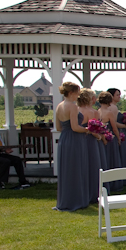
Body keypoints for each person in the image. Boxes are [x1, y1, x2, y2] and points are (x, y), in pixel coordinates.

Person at [54, 83, 104, 211]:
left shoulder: (59, 106)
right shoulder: (72, 107)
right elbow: (75, 127)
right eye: (77, 92)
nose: (78, 95)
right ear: (71, 93)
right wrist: (89, 130)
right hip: (75, 139)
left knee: (67, 170)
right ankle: (76, 200)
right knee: (77, 169)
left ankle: (65, 200)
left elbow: (59, 128)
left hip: (64, 139)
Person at [97, 91, 124, 191]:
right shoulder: (109, 113)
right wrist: (118, 138)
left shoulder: (97, 111)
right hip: (109, 138)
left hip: (101, 137)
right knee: (113, 159)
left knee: (104, 159)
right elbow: (114, 127)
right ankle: (114, 183)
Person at [108, 88, 126, 168]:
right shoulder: (113, 107)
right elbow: (114, 123)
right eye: (117, 95)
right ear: (111, 96)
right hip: (117, 132)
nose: (119, 97)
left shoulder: (111, 107)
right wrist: (125, 126)